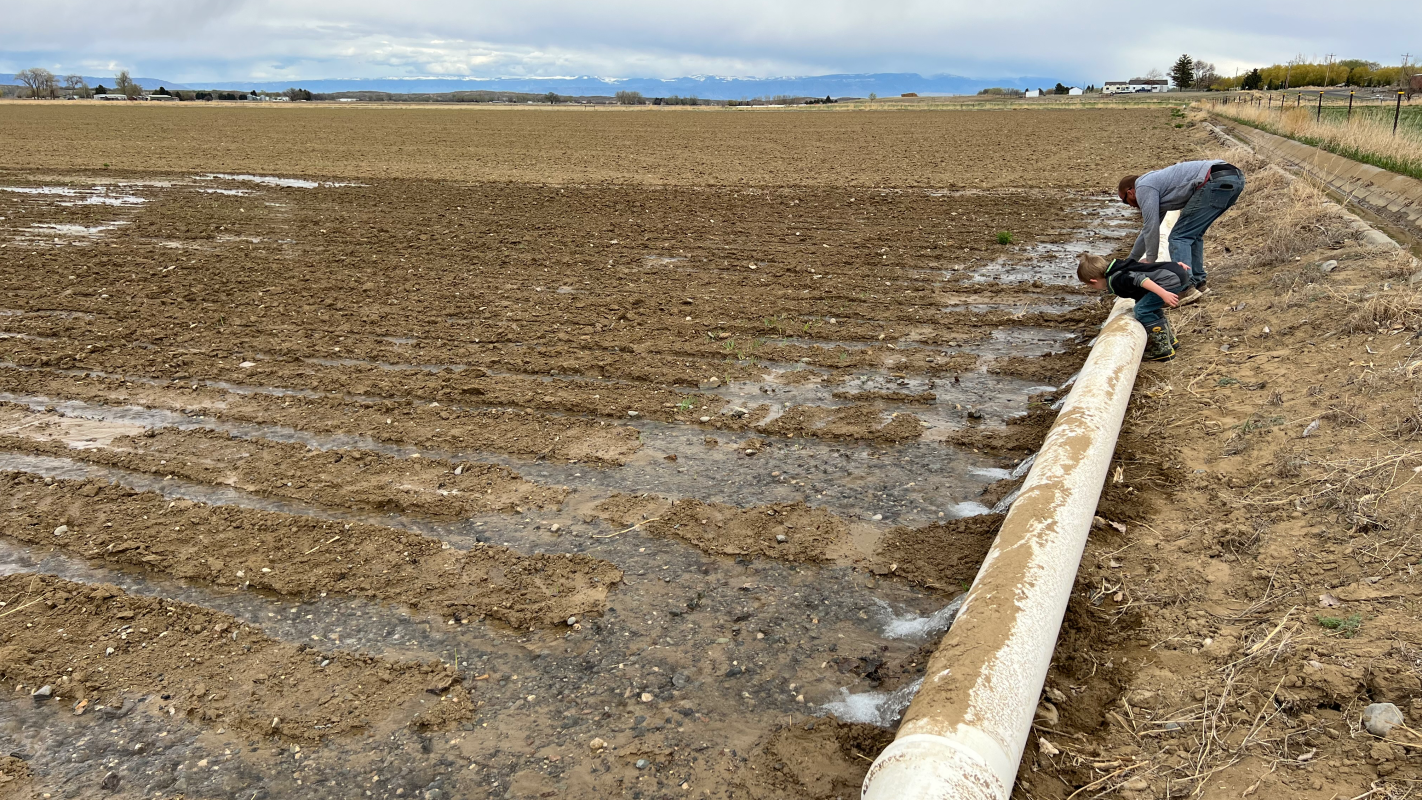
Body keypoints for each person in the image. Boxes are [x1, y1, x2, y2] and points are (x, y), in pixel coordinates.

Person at [1118, 159, 1245, 304]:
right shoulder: (1156, 189)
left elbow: (1150, 227)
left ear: (1131, 192)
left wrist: (1151, 260)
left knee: (1179, 237)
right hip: (1234, 178)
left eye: (1125, 201)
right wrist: (1129, 262)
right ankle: (1199, 284)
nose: (1130, 206)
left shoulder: (1143, 187)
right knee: (1193, 235)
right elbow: (1147, 230)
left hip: (1214, 180)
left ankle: (1185, 288)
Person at [1077, 253, 1191, 361]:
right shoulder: (1118, 266)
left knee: (1141, 310)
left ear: (1093, 281)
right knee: (1149, 307)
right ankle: (1170, 341)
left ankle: (1163, 349)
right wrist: (1174, 266)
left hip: (1169, 281)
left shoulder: (1117, 279)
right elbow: (1145, 267)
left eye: (1090, 285)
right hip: (1175, 272)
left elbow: (1141, 280)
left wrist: (1163, 293)